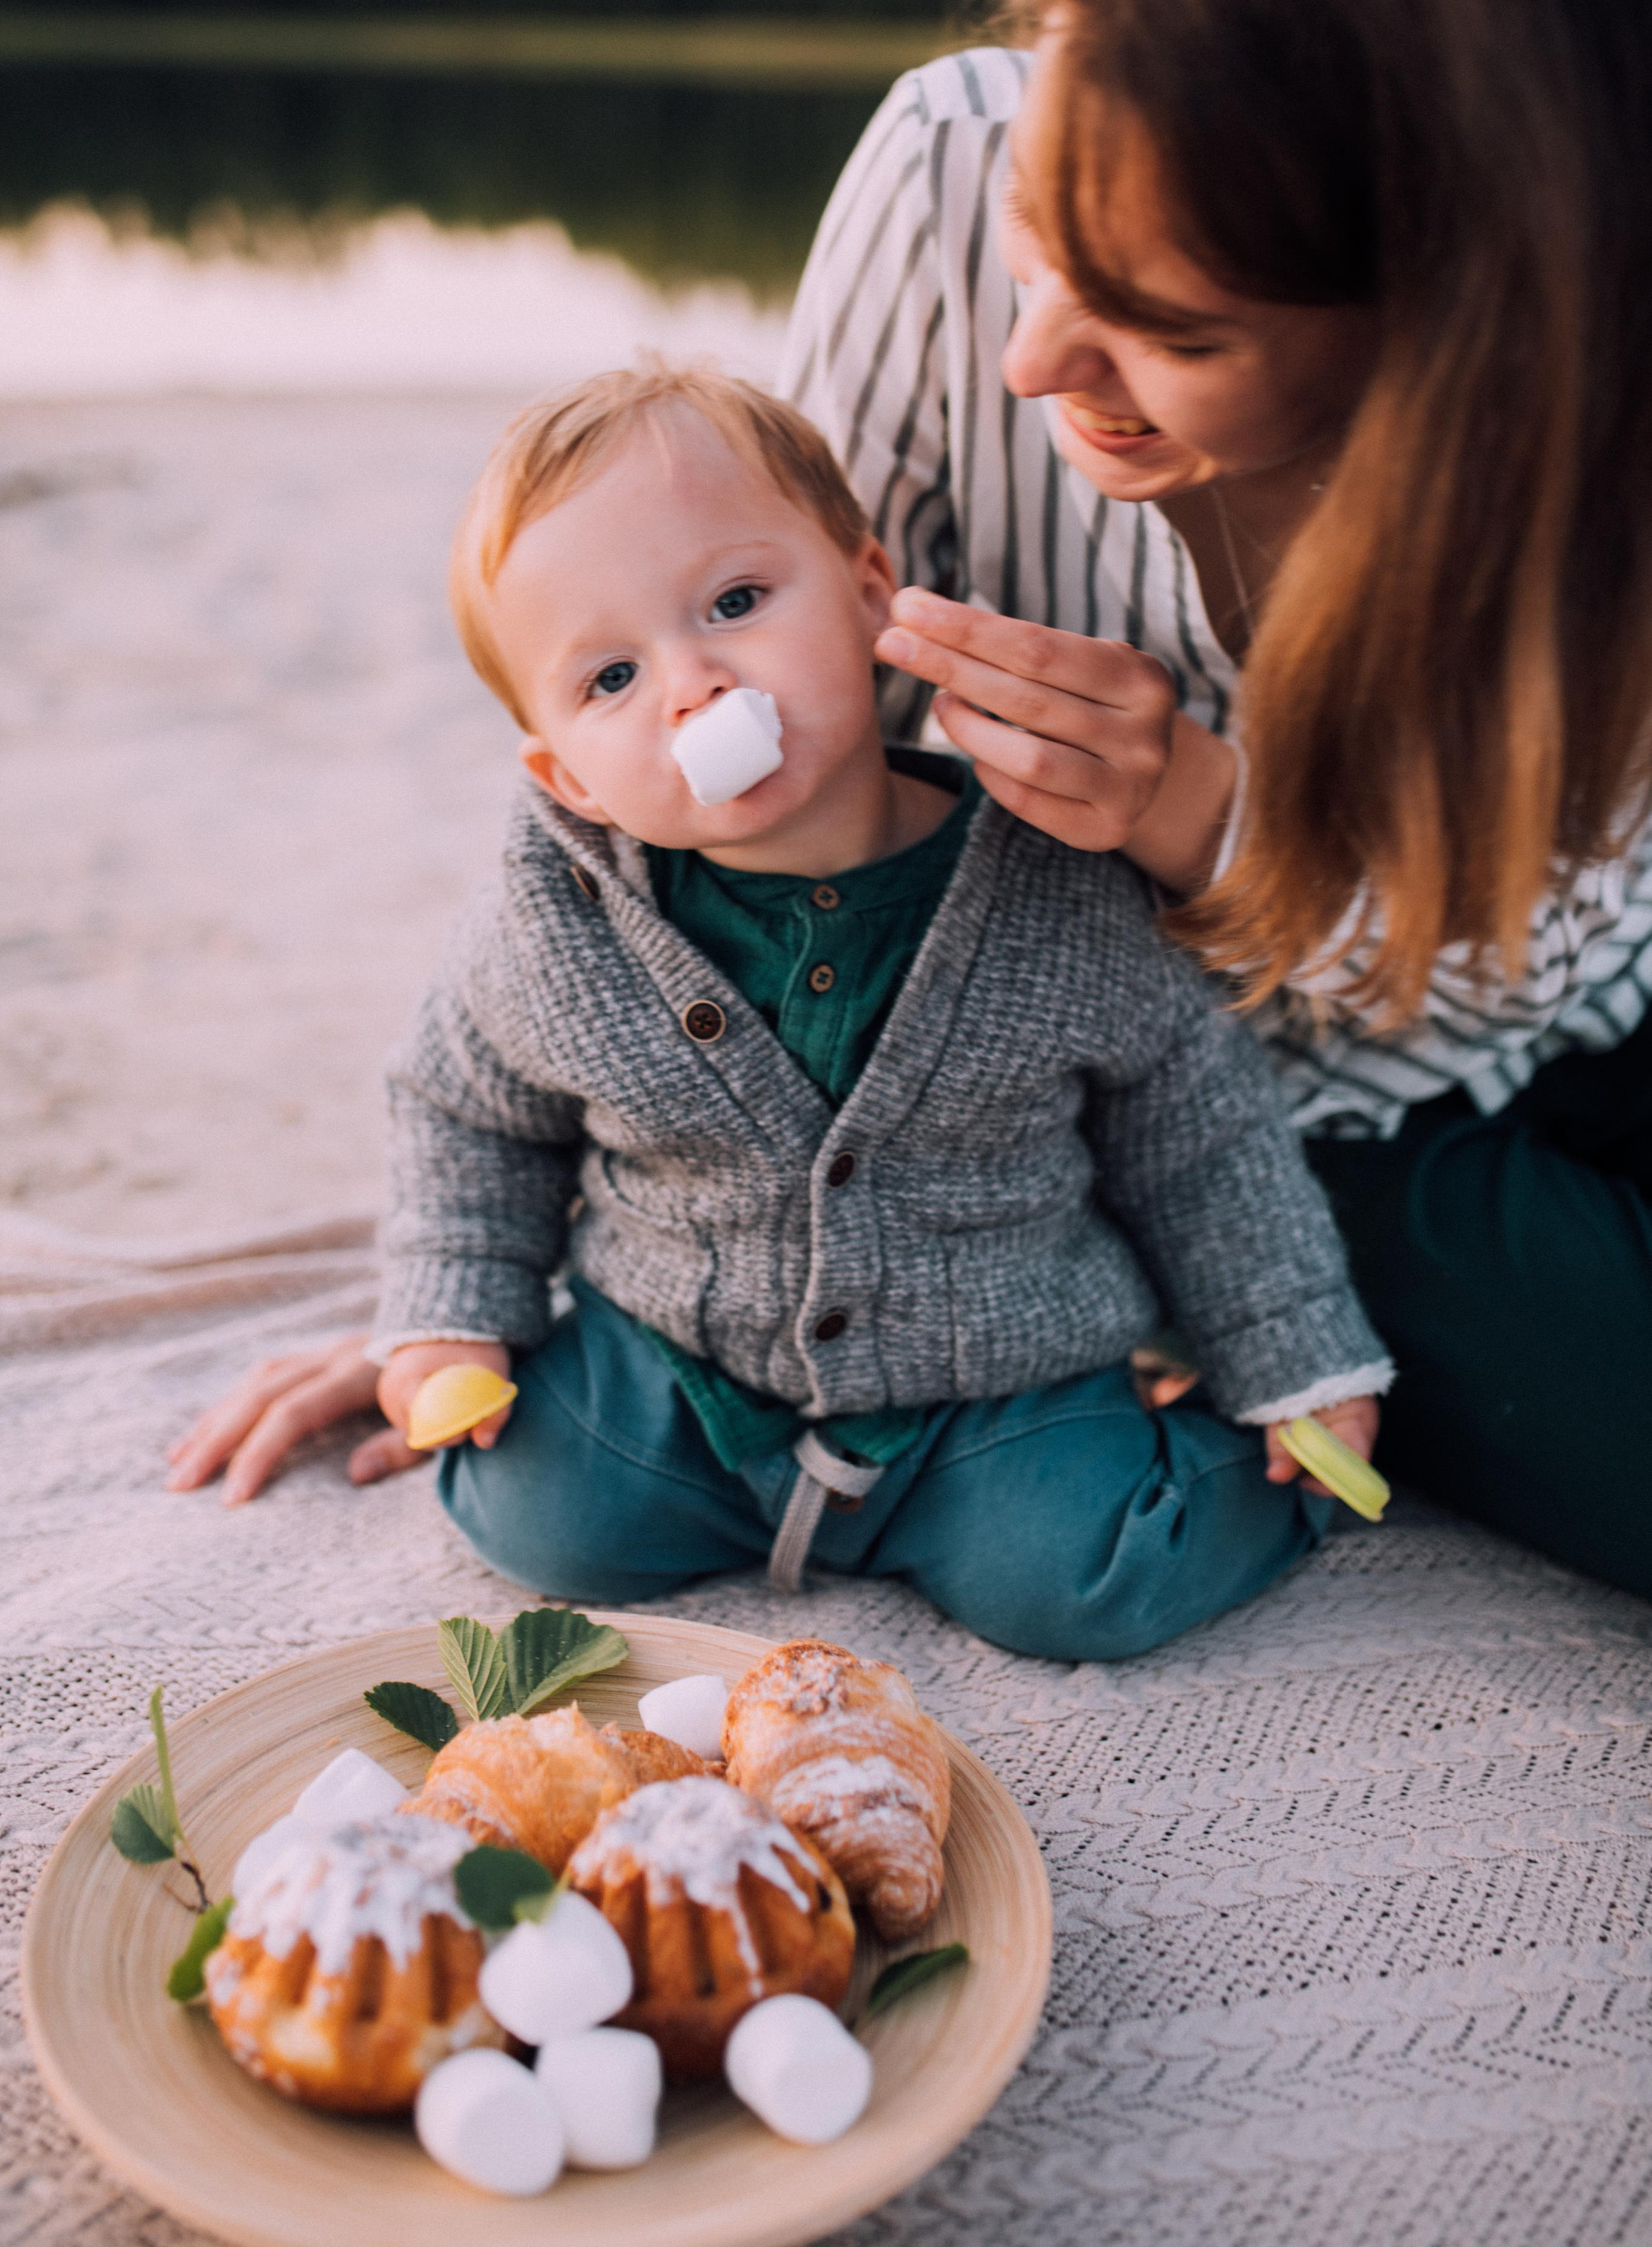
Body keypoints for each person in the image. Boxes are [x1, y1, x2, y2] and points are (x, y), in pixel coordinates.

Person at [174, 0, 1652, 1600]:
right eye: (1043, 232)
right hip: (1163, 1118)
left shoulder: (1596, 457)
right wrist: (482, 1300)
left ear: (1457, 334)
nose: (1033, 351)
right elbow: (711, 744)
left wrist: (1210, 823)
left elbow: (1559, 958)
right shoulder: (950, 154)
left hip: (1478, 1038)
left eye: (1167, 327)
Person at [207, 360, 1387, 1660]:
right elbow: (462, 1111)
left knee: (1083, 1581)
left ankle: (1264, 1487)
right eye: (609, 679)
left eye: (734, 602)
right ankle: (664, 1475)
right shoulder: (558, 924)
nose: (693, 684)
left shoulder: (1054, 883)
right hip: (678, 1366)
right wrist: (450, 1314)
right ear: (568, 778)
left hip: (985, 1383)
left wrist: (1292, 1360)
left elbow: (1199, 1132)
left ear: (869, 592)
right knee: (535, 1513)